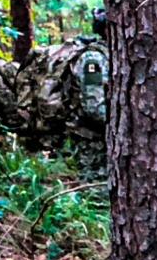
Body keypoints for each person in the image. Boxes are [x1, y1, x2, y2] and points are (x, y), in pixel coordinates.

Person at [14, 13, 107, 177]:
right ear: (107, 30)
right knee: (96, 186)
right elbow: (93, 106)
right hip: (91, 138)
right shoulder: (94, 59)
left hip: (103, 134)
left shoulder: (111, 54)